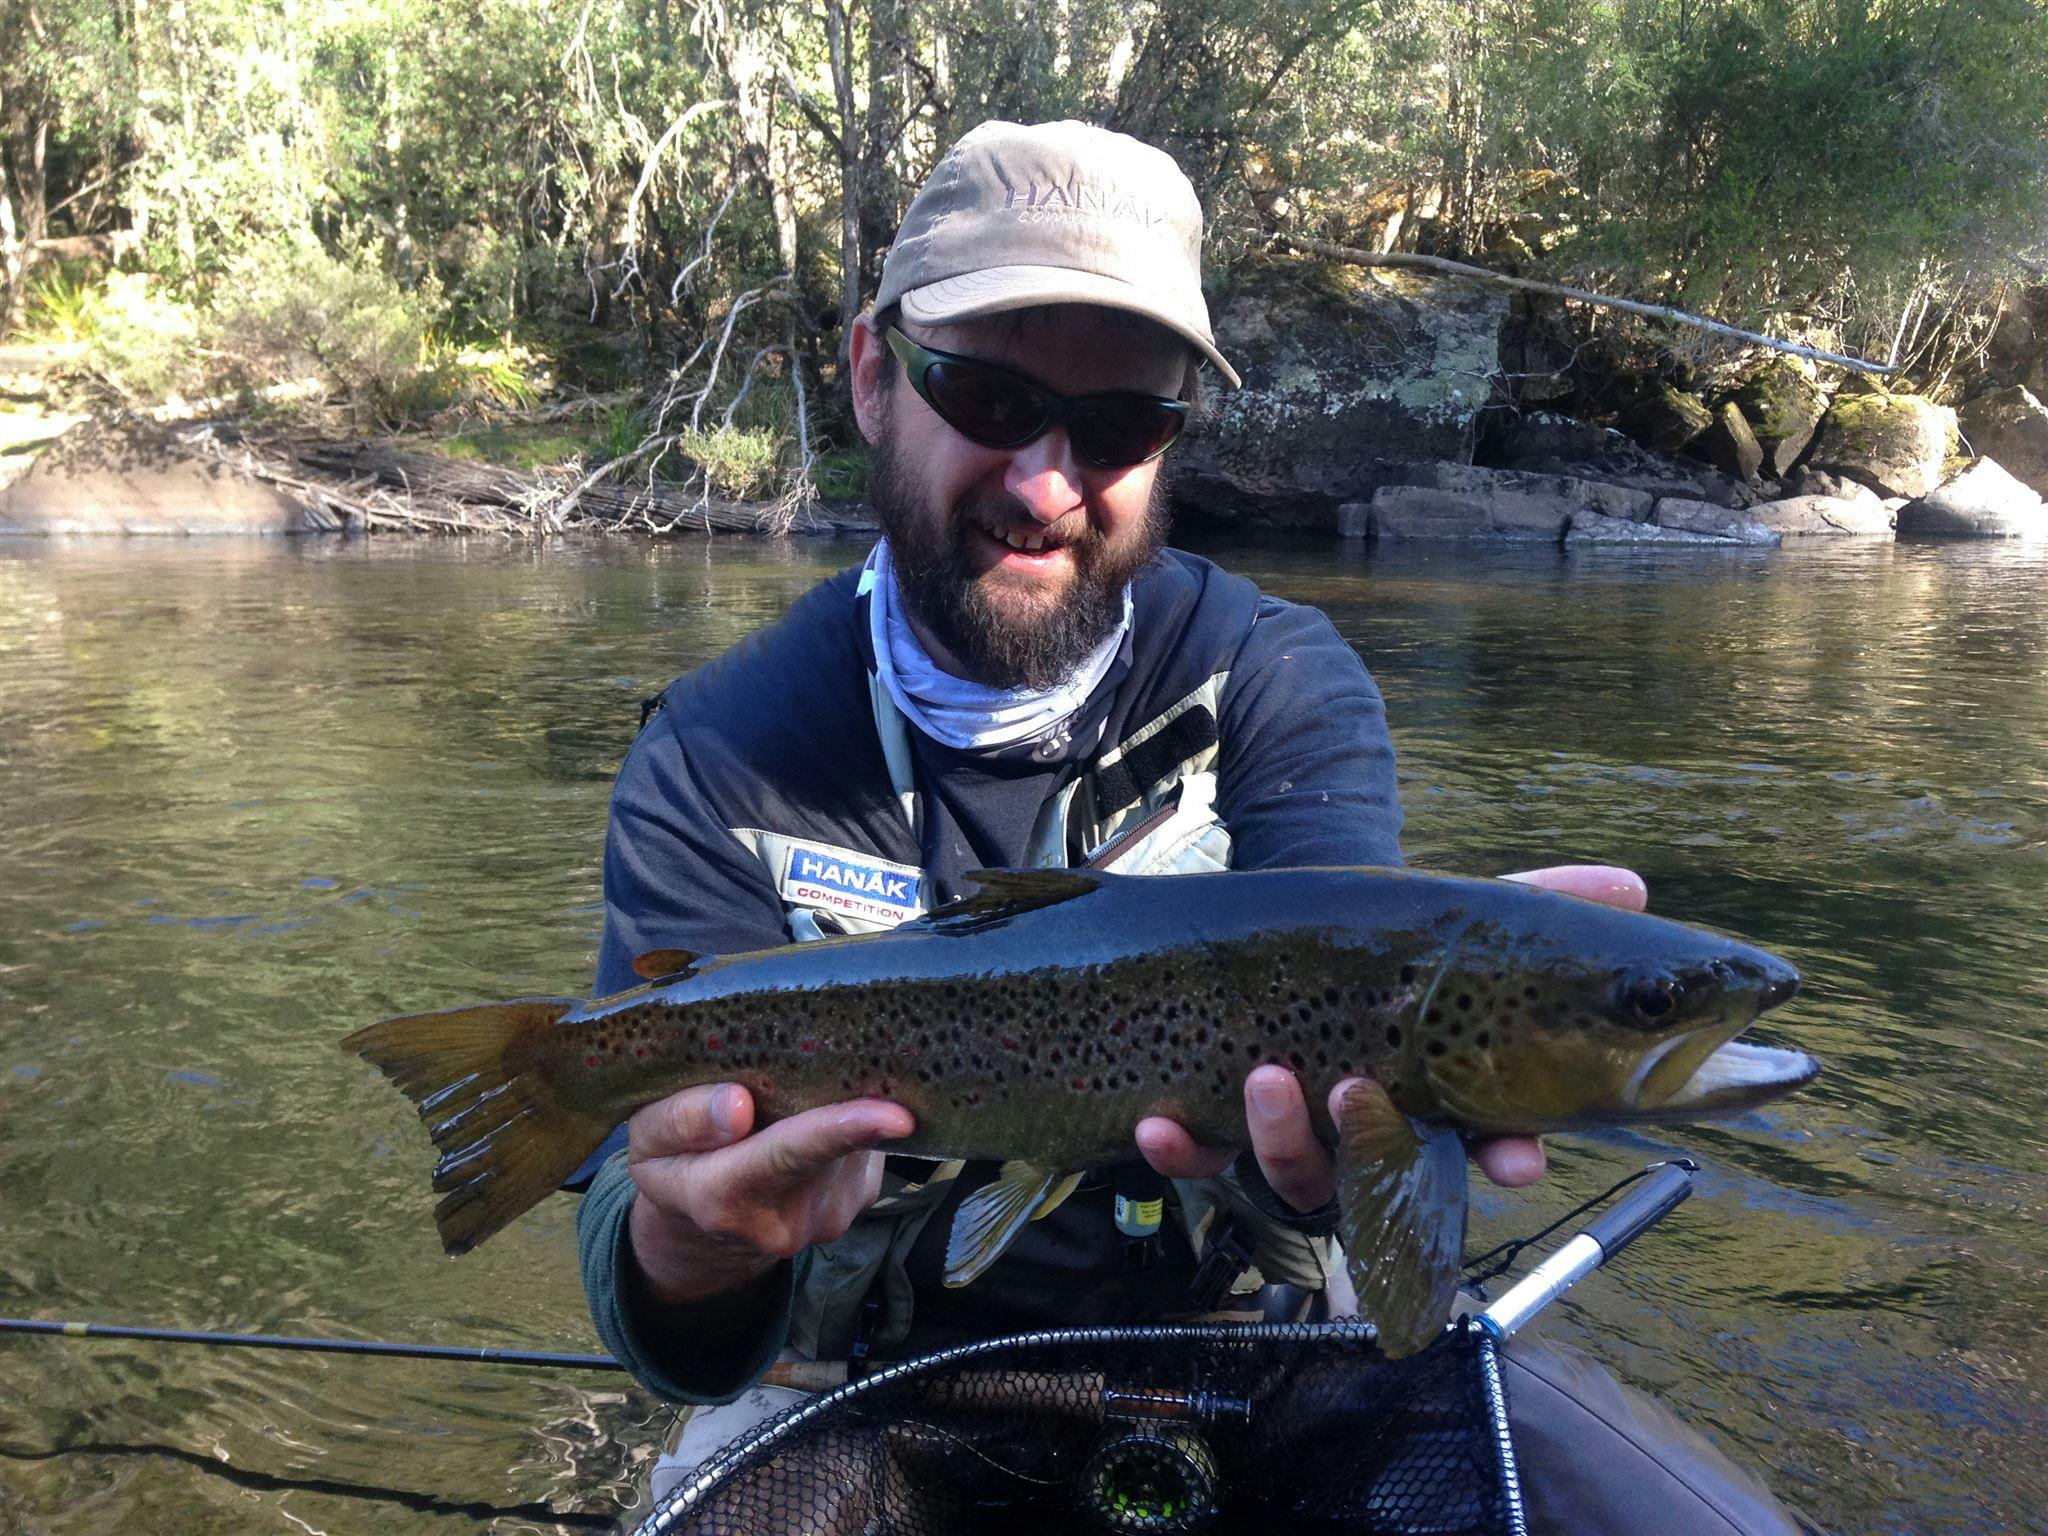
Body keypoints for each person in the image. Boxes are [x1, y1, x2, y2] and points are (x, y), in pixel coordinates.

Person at [574, 119, 1805, 1534]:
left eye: (1115, 425)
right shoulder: (713, 754)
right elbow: (648, 1281)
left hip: (1247, 1339)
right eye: (985, 396)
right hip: (857, 1375)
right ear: (873, 377)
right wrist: (688, 1249)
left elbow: (1342, 1191)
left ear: (1172, 441)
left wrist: (1339, 1189)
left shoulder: (1279, 681)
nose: (1045, 481)